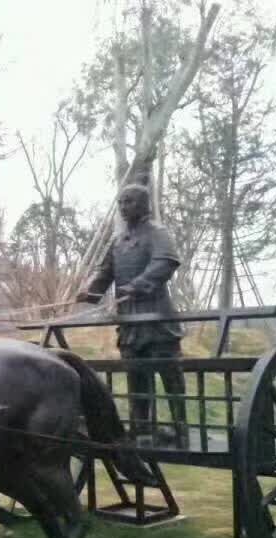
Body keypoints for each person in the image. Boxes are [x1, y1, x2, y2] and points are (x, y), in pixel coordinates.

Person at [77, 183, 188, 447]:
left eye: (130, 202)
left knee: (170, 377)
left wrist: (136, 286)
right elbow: (105, 272)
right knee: (137, 378)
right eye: (121, 202)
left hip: (158, 321)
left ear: (144, 204)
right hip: (129, 324)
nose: (124, 207)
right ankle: (142, 429)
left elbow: (165, 263)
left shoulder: (157, 233)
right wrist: (90, 292)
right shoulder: (118, 241)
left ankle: (181, 430)